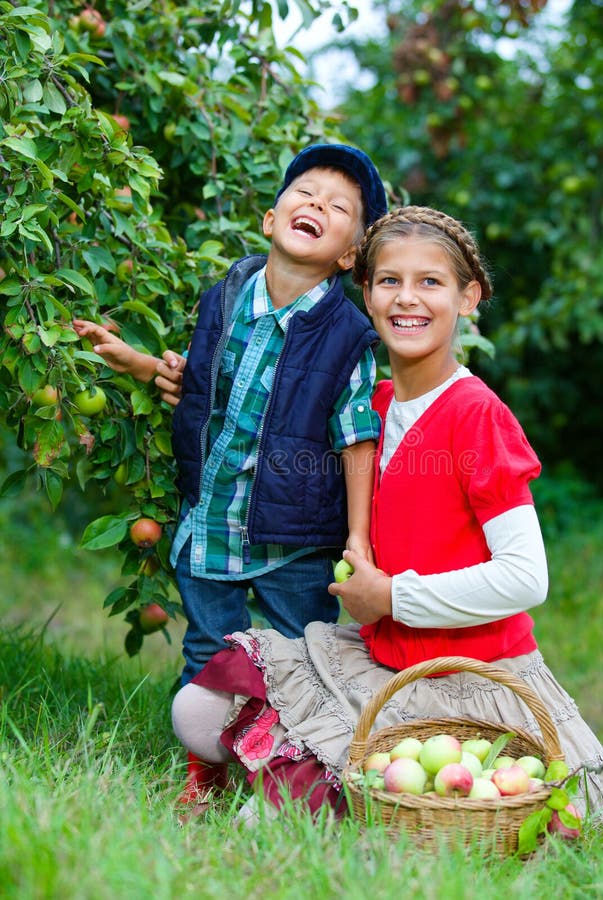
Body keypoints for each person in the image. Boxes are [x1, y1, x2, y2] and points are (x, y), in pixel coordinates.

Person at [169, 205, 603, 825]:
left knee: (277, 819)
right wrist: (184, 380)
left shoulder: (475, 416)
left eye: (430, 282)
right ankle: (313, 777)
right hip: (384, 661)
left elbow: (527, 578)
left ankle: (325, 792)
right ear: (364, 293)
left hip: (471, 674)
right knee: (196, 710)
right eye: (389, 280)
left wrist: (390, 595)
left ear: (468, 297)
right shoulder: (372, 405)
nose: (406, 299)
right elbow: (265, 424)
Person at [74, 144, 389, 803]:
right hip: (213, 521)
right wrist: (135, 362)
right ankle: (206, 775)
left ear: (347, 255)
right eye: (304, 194)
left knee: (303, 658)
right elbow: (196, 381)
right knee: (209, 655)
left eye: (339, 209)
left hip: (294, 537)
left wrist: (357, 540)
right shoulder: (226, 296)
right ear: (271, 219)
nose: (317, 207)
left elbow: (358, 435)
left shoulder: (348, 334)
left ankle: (303, 773)